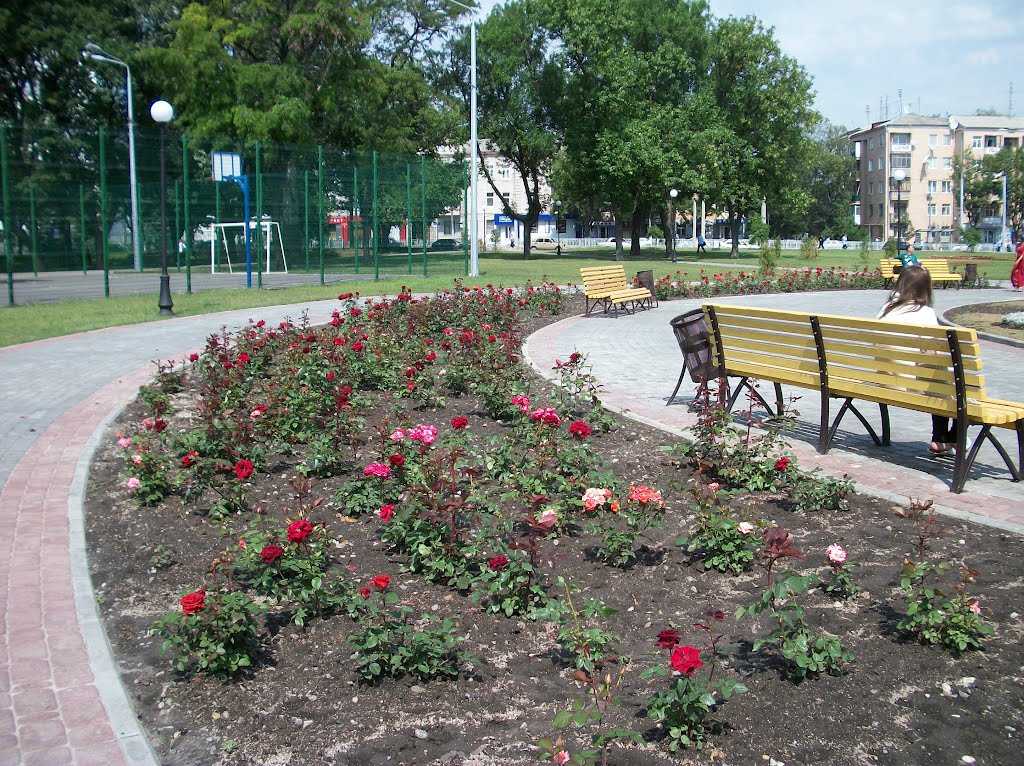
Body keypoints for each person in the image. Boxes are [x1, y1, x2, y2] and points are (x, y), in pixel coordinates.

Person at [876, 266, 957, 454]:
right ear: (926, 288)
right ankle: (949, 436)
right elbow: (933, 351)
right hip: (912, 386)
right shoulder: (925, 313)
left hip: (886, 382)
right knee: (948, 382)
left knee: (939, 379)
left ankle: (943, 438)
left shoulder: (886, 310)